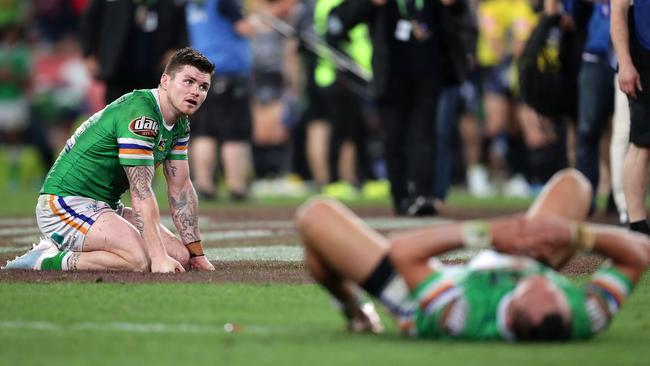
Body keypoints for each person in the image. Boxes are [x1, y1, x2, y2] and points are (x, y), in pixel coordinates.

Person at [295, 168, 649, 340]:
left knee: (315, 220)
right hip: (498, 273)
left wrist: (486, 233)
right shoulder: (583, 315)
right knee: (574, 185)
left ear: (511, 315)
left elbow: (405, 252)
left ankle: (356, 311)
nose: (542, 281)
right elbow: (640, 253)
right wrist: (575, 234)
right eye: (553, 286)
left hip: (420, 294)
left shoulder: (460, 316)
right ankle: (540, 247)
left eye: (533, 287)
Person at [4, 48, 216, 273]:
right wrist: (158, 258)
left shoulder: (180, 122)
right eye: (189, 81)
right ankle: (45, 259)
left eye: (203, 87)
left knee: (181, 256)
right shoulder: (141, 114)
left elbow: (181, 188)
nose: (196, 92)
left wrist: (197, 254)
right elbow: (140, 191)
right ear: (165, 80)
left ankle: (91, 245)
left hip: (106, 206)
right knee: (139, 260)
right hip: (66, 203)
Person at [185, 0, 257, 201]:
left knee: (204, 132)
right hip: (228, 72)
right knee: (234, 133)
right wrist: (256, 21)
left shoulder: (194, 4)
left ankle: (204, 184)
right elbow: (245, 28)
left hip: (202, 73)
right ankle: (236, 186)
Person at [80, 0, 188, 104]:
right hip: (118, 70)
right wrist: (88, 54)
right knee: (117, 117)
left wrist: (178, 50)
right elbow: (89, 20)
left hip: (157, 70)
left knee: (152, 116)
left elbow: (184, 21)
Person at [611, 0, 650, 235]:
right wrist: (625, 63)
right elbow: (618, 10)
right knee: (642, 142)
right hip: (644, 57)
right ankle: (637, 225)